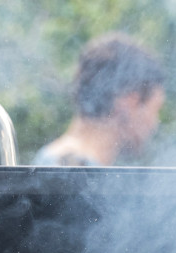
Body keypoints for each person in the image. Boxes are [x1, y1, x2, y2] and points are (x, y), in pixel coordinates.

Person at [33, 33, 165, 167]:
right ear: (130, 101)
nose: (155, 124)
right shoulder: (69, 170)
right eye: (155, 109)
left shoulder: (55, 163)